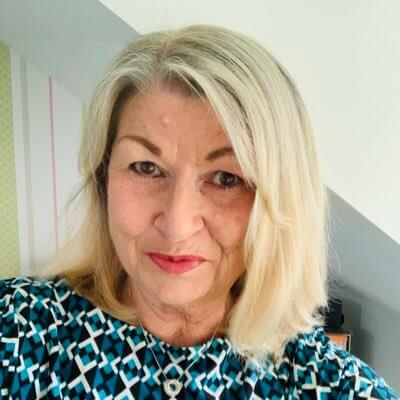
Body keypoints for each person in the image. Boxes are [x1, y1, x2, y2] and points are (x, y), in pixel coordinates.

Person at [0, 24, 398, 399]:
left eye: (226, 178)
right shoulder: (15, 335)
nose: (176, 225)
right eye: (146, 168)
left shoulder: (335, 387)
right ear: (103, 181)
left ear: (281, 203)